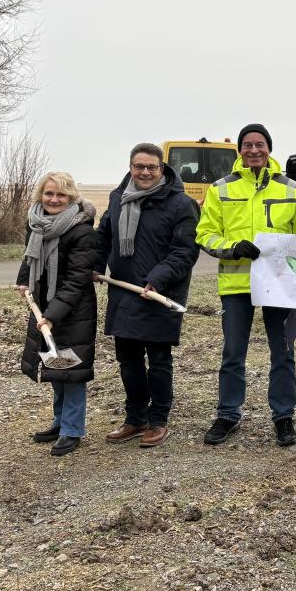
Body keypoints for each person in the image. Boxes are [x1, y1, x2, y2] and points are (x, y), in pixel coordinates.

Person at [195, 123, 296, 447]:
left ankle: (284, 416)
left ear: (269, 148)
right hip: (237, 284)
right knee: (232, 353)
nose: (254, 150)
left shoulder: (292, 189)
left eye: (260, 144)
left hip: (278, 284)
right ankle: (228, 414)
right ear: (240, 150)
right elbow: (204, 233)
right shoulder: (220, 189)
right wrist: (232, 248)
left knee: (283, 351)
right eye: (247, 145)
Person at [94, 143, 199, 449]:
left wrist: (157, 278)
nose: (144, 172)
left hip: (158, 294)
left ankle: (158, 421)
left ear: (162, 169)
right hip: (124, 291)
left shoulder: (181, 204)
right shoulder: (118, 198)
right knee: (128, 361)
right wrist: (96, 265)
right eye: (139, 166)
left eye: (151, 167)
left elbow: (185, 251)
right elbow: (103, 236)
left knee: (159, 360)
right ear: (131, 167)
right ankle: (135, 418)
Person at [17, 171, 98, 457]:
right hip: (44, 305)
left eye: (61, 195)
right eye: (49, 193)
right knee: (54, 366)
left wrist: (52, 314)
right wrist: (23, 280)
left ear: (71, 198)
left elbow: (77, 279)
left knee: (71, 370)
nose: (54, 199)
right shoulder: (36, 223)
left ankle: (72, 429)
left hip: (73, 310)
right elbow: (31, 257)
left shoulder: (81, 231)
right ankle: (59, 421)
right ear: (41, 195)